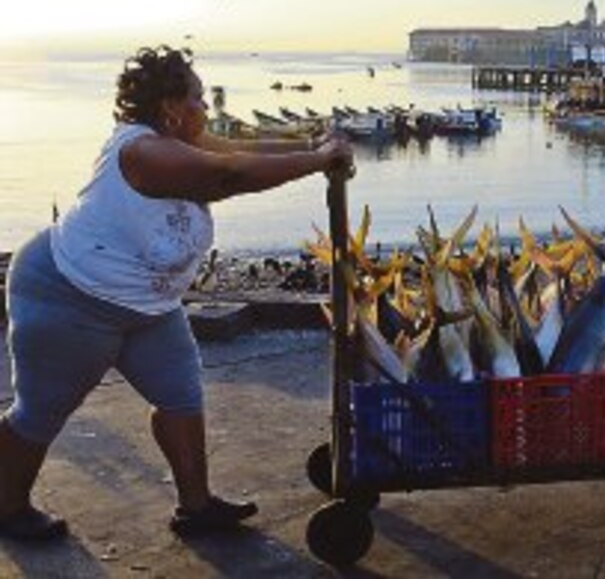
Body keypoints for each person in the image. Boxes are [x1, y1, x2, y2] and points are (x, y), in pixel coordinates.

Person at [0, 46, 353, 541]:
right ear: (170, 107)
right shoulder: (144, 152)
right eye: (198, 98)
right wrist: (317, 160)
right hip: (71, 296)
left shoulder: (182, 141)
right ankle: (7, 507)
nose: (206, 107)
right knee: (42, 409)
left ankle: (196, 506)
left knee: (180, 394)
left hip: (149, 305)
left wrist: (314, 144)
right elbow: (229, 175)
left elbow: (244, 151)